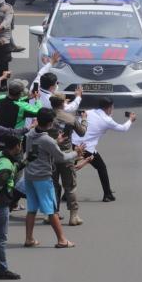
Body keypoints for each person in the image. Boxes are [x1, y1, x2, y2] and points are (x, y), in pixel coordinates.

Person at [24, 108, 81, 248]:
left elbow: (38, 149)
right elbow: (61, 157)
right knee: (51, 209)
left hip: (29, 175)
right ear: (50, 123)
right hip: (42, 177)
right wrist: (76, 153)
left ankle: (29, 238)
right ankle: (62, 240)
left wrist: (56, 142)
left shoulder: (30, 134)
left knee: (32, 209)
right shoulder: (47, 140)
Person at [71, 98, 135, 202]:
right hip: (86, 148)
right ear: (109, 108)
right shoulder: (107, 120)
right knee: (101, 168)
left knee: (70, 170)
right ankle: (107, 194)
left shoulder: (89, 112)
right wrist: (131, 119)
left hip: (72, 144)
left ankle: (67, 194)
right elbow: (123, 128)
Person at [0, 135, 23, 279]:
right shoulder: (6, 166)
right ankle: (1, 269)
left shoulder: (1, 156)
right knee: (0, 238)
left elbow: (13, 168)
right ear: (16, 146)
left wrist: (26, 162)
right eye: (20, 145)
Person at [49, 95, 87, 226]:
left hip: (50, 156)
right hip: (67, 156)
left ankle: (52, 214)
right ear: (62, 103)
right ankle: (73, 216)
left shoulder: (46, 117)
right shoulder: (70, 118)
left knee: (52, 186)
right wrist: (84, 120)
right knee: (70, 187)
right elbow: (82, 132)